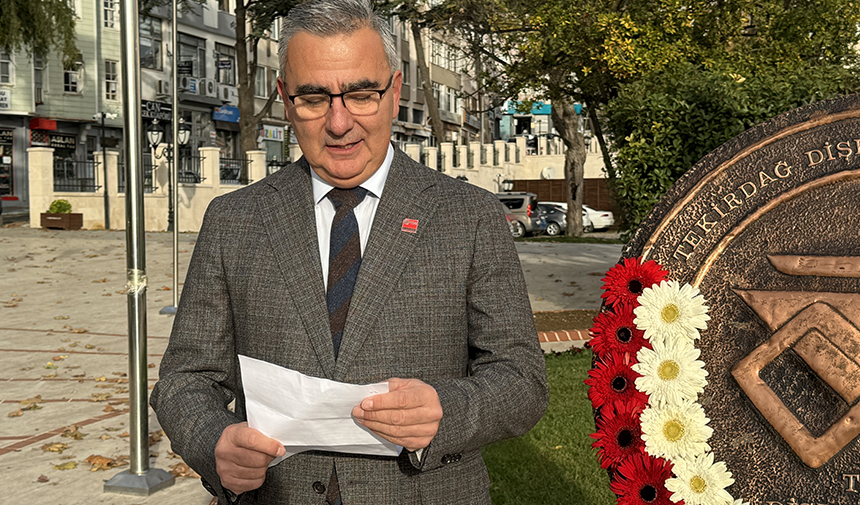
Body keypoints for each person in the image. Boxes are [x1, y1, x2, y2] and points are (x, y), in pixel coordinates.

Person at [150, 0, 548, 503]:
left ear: (396, 90)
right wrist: (215, 442)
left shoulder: (469, 217)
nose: (339, 123)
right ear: (285, 98)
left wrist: (445, 409)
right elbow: (185, 379)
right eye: (314, 98)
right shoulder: (235, 221)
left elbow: (523, 381)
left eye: (361, 94)